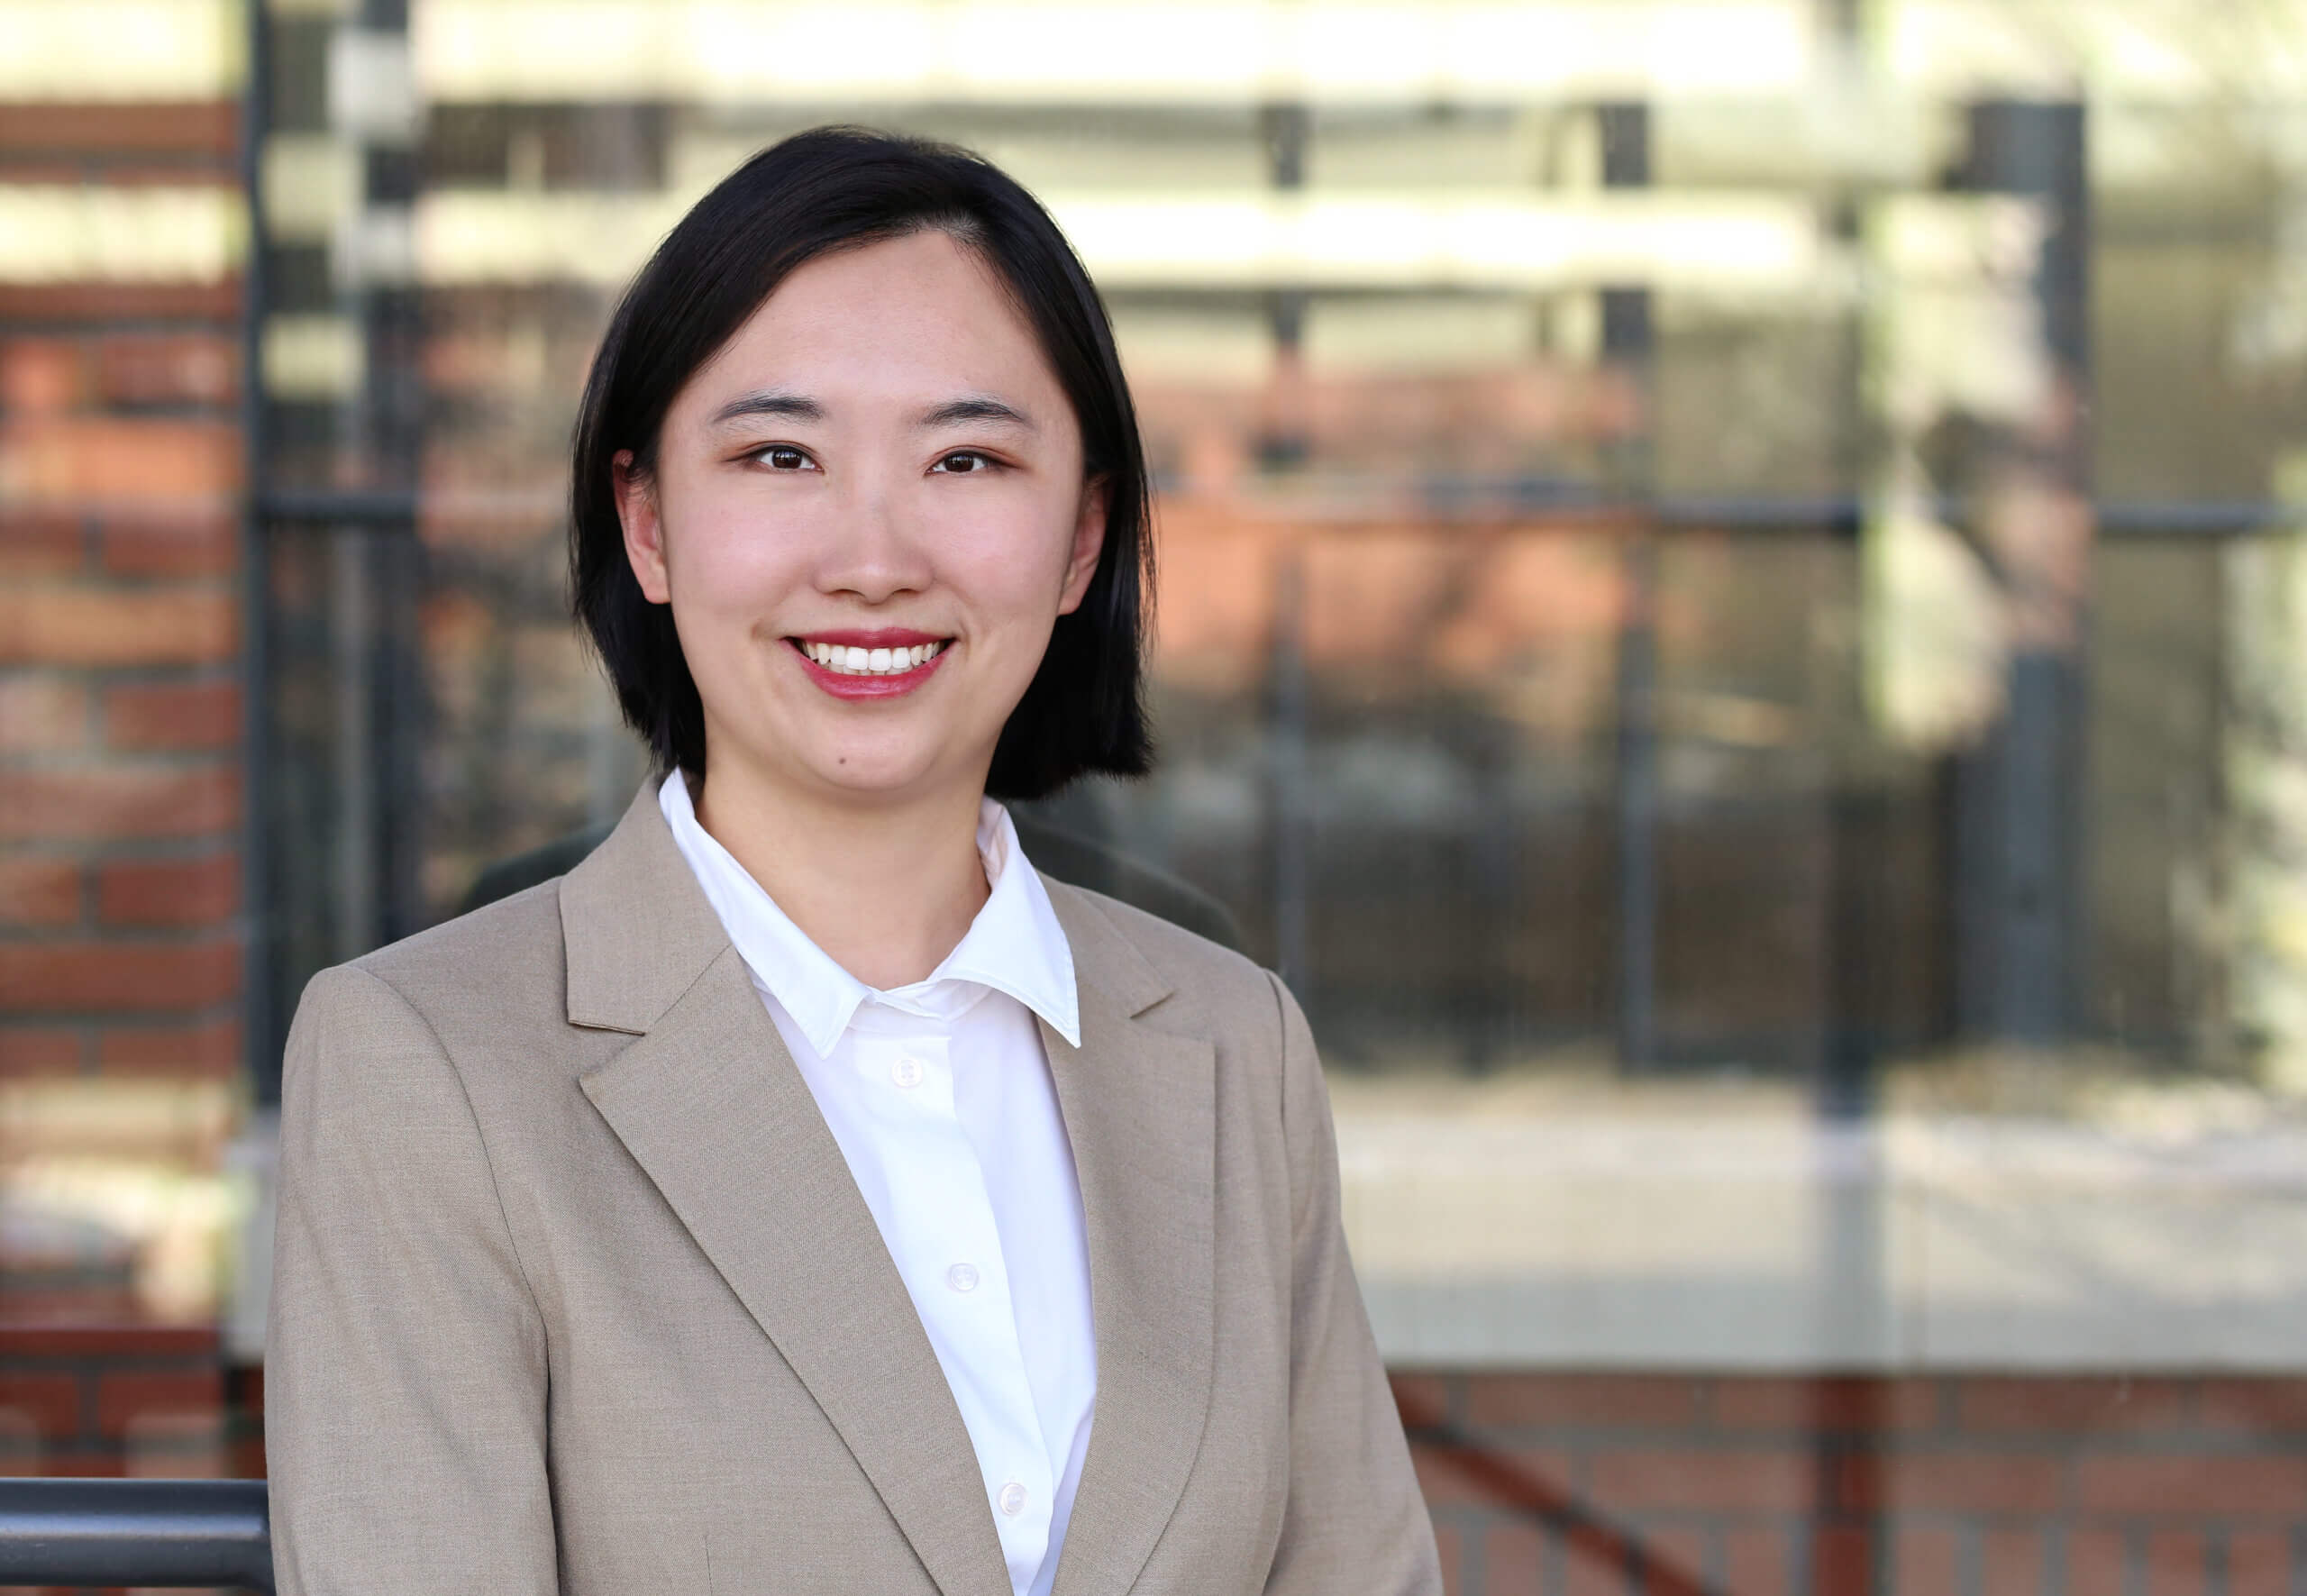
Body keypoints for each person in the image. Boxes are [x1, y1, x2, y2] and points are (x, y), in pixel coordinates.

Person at [265, 126, 1441, 1596]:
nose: (874, 559)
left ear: (1081, 540)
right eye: (780, 456)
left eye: (967, 459)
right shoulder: (426, 1067)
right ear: (648, 524)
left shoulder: (1231, 1042)